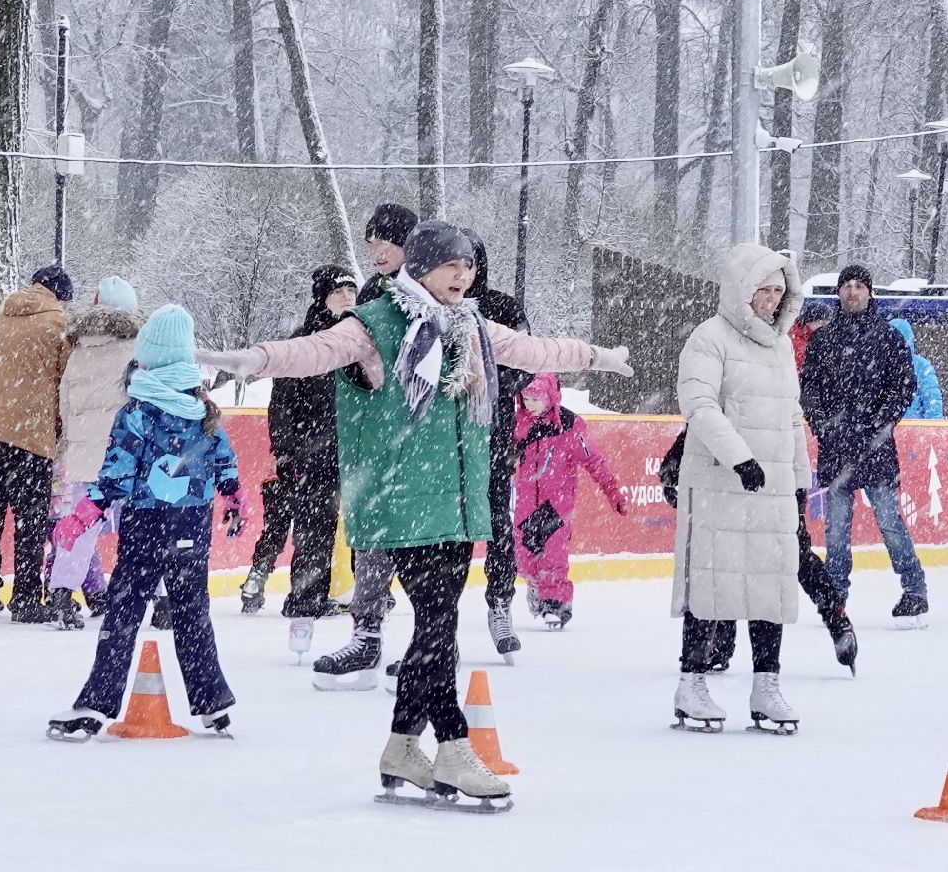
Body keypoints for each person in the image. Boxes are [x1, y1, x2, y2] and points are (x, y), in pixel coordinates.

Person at [200, 221, 631, 804]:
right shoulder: (377, 323)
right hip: (403, 496)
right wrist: (244, 359)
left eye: (468, 267)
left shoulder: (472, 326)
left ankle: (403, 745)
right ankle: (452, 746)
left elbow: (536, 350)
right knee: (438, 626)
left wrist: (601, 356)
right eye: (451, 266)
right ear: (422, 268)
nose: (464, 276)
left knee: (438, 623)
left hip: (454, 497)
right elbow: (311, 352)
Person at [47, 305, 244, 740]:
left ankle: (97, 704)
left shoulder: (136, 414)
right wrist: (233, 500)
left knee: (124, 611)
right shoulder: (203, 409)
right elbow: (226, 464)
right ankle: (213, 704)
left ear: (148, 357)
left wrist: (82, 517)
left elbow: (115, 479)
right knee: (193, 613)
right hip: (192, 526)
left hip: (146, 527)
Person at [671, 244, 808, 734]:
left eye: (778, 291)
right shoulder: (708, 339)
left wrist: (800, 477)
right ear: (739, 290)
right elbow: (699, 404)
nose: (771, 300)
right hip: (720, 481)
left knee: (772, 581)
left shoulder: (780, 345)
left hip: (772, 484)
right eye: (762, 290)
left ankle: (766, 684)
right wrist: (740, 458)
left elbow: (792, 416)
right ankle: (691, 681)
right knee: (712, 580)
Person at [659, 425, 858, 675]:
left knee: (789, 554)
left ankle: (837, 619)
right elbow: (705, 419)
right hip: (745, 475)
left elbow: (713, 420)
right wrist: (673, 464)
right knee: (730, 554)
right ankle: (721, 641)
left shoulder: (772, 393)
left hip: (771, 475)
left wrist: (797, 483)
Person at [800, 265, 929, 622]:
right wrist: (824, 425)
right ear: (838, 292)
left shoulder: (887, 337)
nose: (853, 291)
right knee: (836, 530)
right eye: (847, 286)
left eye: (859, 286)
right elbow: (808, 388)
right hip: (837, 450)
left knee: (890, 521)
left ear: (870, 292)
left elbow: (904, 385)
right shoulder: (823, 341)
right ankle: (836, 596)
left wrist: (881, 424)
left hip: (876, 451)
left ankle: (915, 589)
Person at [241, 265, 357, 629]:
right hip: (311, 455)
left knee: (358, 529)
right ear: (322, 297)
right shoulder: (303, 341)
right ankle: (305, 597)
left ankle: (363, 596)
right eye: (339, 291)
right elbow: (283, 403)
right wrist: (287, 450)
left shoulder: (359, 339)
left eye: (352, 291)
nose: (347, 297)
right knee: (313, 528)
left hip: (352, 452)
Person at [0, 265, 74, 621]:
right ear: (59, 296)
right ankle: (26, 598)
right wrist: (60, 429)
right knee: (31, 519)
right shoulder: (57, 325)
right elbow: (65, 384)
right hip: (29, 432)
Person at [45, 276, 144, 628]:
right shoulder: (140, 349)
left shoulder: (78, 351)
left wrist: (75, 444)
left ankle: (60, 595)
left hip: (85, 455)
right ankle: (161, 600)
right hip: (129, 454)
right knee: (146, 525)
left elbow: (65, 404)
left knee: (80, 528)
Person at [463, 228, 536, 661]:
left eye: (468, 262)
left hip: (494, 435)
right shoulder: (431, 310)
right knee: (446, 539)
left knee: (498, 526)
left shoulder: (504, 308)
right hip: (443, 444)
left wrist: (485, 384)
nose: (461, 273)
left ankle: (501, 603)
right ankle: (440, 624)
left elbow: (527, 362)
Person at [511, 373, 628, 628]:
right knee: (524, 557)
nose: (529, 404)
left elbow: (594, 461)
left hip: (556, 506)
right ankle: (536, 585)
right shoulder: (519, 424)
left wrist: (612, 491)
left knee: (554, 557)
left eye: (535, 399)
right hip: (525, 506)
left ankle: (556, 604)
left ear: (550, 397)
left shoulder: (569, 426)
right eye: (526, 398)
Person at [356, 203, 418, 306]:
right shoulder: (371, 289)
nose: (374, 253)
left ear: (407, 247)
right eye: (370, 244)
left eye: (383, 244)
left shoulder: (432, 284)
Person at [890, 318, 944, 420]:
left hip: (911, 431)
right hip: (905, 430)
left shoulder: (921, 367)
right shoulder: (921, 366)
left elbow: (933, 406)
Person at [789, 303, 833, 371]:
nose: (824, 327)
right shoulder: (795, 338)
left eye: (826, 325)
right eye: (822, 323)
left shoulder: (812, 337)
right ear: (809, 321)